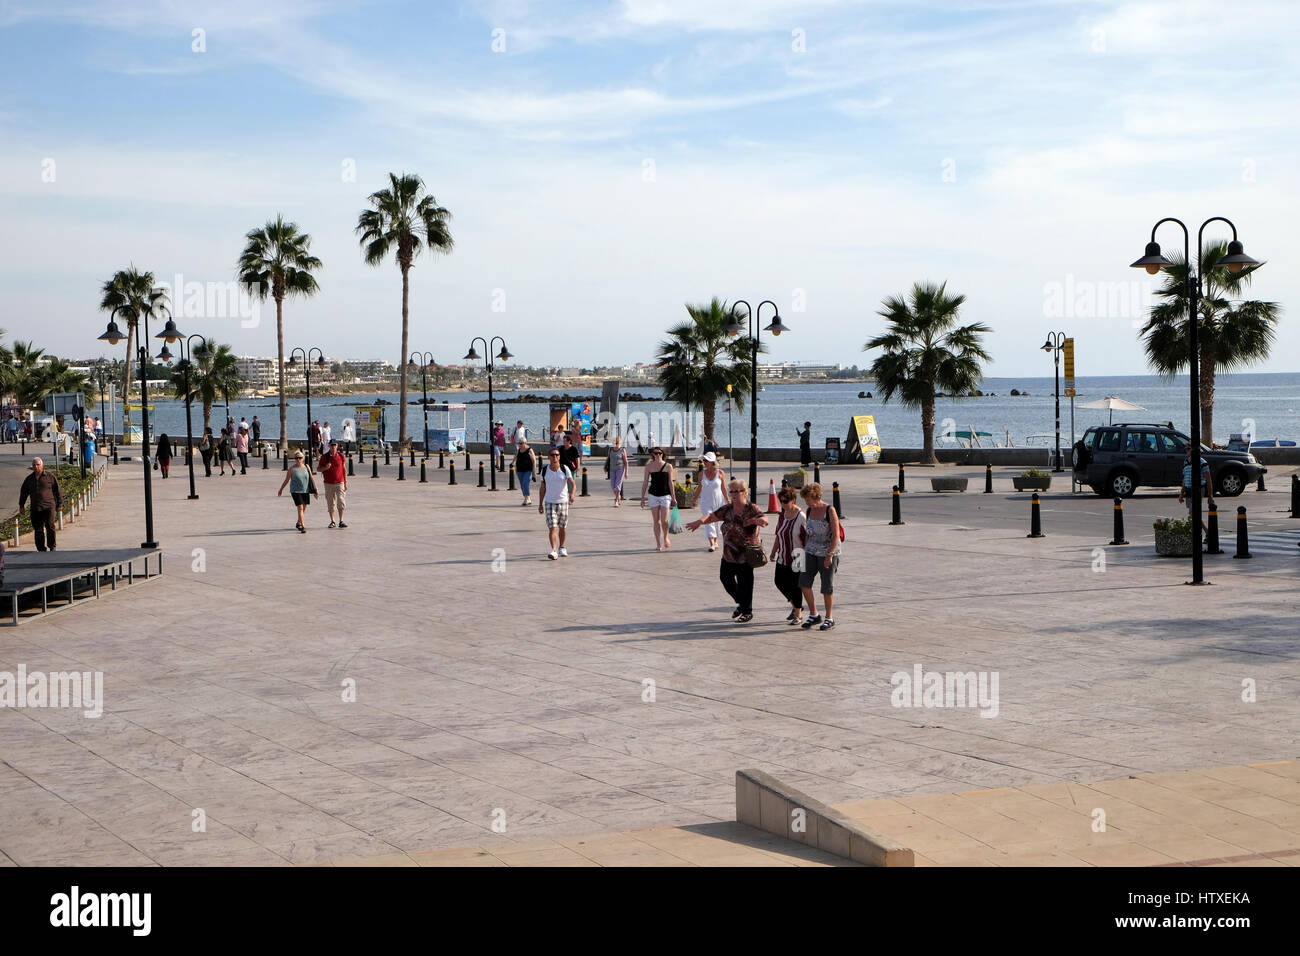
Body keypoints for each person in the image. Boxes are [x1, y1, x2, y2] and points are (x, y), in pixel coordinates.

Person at [687, 478, 768, 623]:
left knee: (745, 583)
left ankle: (747, 611)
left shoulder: (751, 508)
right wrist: (699, 522)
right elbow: (712, 516)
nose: (734, 494)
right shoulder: (728, 509)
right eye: (732, 491)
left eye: (737, 491)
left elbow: (764, 519)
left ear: (745, 492)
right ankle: (741, 602)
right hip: (729, 553)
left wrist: (757, 521)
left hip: (746, 554)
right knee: (725, 579)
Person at [797, 482, 840, 631]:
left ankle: (829, 617)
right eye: (805, 499)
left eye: (808, 499)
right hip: (811, 551)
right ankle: (814, 614)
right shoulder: (809, 511)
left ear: (816, 496)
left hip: (827, 552)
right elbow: (808, 534)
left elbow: (836, 536)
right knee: (803, 582)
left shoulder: (829, 510)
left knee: (826, 586)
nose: (807, 502)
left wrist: (830, 555)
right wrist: (804, 551)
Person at [769, 487, 808, 625]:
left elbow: (807, 538)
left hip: (798, 556)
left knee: (795, 586)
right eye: (781, 501)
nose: (783, 504)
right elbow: (778, 535)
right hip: (783, 555)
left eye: (786, 501)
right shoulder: (782, 515)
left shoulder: (801, 516)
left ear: (794, 500)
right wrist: (773, 551)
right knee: (779, 582)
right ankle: (796, 606)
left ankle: (798, 615)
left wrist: (808, 557)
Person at [538, 447, 576, 560]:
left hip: (563, 502)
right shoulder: (545, 470)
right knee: (552, 527)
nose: (555, 457)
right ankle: (554, 550)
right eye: (553, 455)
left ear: (559, 457)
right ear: (549, 457)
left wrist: (572, 494)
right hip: (549, 502)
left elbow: (573, 484)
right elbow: (542, 488)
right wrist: (540, 504)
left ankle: (562, 547)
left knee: (562, 527)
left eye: (557, 455)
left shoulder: (565, 469)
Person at [19, 457, 62, 551]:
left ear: (42, 466)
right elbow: (23, 492)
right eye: (34, 465)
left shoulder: (50, 476)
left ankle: (52, 546)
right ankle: (41, 548)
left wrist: (59, 504)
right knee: (38, 529)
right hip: (35, 507)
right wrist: (21, 506)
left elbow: (57, 491)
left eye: (38, 465)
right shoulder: (29, 479)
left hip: (48, 506)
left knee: (50, 527)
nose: (36, 466)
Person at [639, 447, 677, 552]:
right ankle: (658, 543)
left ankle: (665, 536)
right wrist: (642, 497)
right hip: (653, 495)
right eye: (655, 453)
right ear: (653, 455)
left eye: (660, 453)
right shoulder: (649, 466)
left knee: (665, 521)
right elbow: (645, 482)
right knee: (656, 521)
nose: (658, 455)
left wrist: (673, 497)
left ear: (662, 454)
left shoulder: (668, 466)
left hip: (665, 495)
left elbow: (670, 482)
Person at [691, 452, 728, 552]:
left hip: (718, 500)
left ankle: (715, 541)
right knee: (708, 520)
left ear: (712, 462)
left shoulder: (720, 473)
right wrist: (695, 499)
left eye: (706, 460)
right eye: (704, 460)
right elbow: (699, 488)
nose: (704, 462)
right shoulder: (701, 474)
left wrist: (728, 500)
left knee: (716, 520)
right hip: (705, 501)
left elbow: (723, 488)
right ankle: (711, 543)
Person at [277, 451, 318, 533]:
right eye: (296, 458)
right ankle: (302, 526)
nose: (298, 459)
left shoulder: (307, 467)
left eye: (300, 458)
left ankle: (298, 522)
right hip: (295, 491)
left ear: (303, 458)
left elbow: (311, 477)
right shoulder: (292, 469)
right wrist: (281, 489)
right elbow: (286, 480)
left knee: (304, 508)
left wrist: (315, 488)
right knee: (300, 508)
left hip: (305, 490)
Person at [1178, 444, 1215, 532]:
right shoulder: (1186, 462)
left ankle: (1206, 532)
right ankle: (1204, 533)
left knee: (1192, 513)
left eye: (1188, 449)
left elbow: (1208, 480)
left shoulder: (1202, 462)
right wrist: (1181, 494)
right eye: (1186, 449)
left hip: (1198, 489)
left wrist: (1210, 495)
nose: (1186, 450)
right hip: (1188, 490)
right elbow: (1185, 479)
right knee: (1193, 514)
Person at [318, 439, 349, 528]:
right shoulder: (325, 457)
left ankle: (341, 520)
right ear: (329, 446)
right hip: (328, 483)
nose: (333, 447)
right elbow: (318, 469)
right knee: (330, 502)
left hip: (340, 482)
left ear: (337, 446)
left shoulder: (341, 456)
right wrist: (326, 468)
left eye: (334, 445)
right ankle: (332, 521)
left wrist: (345, 482)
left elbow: (344, 469)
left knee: (341, 501)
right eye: (331, 445)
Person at [606, 436, 629, 506]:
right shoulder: (610, 449)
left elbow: (626, 461)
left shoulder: (622, 450)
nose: (615, 444)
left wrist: (626, 472)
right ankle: (618, 496)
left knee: (618, 484)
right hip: (612, 469)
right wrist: (605, 466)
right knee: (613, 485)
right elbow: (608, 458)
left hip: (620, 468)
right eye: (614, 443)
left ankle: (616, 500)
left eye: (617, 443)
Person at [515, 439, 538, 505]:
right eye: (519, 443)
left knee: (525, 483)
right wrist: (515, 469)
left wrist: (533, 473)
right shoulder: (519, 450)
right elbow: (517, 458)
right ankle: (527, 498)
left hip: (528, 470)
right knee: (522, 485)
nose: (520, 445)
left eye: (521, 443)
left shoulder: (529, 450)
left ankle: (527, 498)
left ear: (525, 443)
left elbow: (534, 461)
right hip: (520, 470)